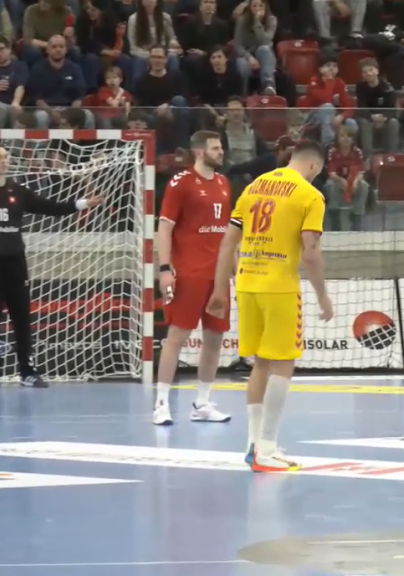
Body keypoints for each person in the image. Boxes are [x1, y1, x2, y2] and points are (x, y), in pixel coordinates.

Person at [206, 140, 334, 472]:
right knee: (283, 364)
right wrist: (322, 294)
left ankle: (254, 445)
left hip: (247, 284)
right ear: (315, 166)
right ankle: (267, 447)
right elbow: (311, 252)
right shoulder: (310, 195)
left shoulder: (253, 187)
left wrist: (220, 290)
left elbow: (227, 243)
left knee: (260, 363)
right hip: (279, 287)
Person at [0, 144, 102, 389]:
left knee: (21, 316)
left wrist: (82, 203)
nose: (4, 161)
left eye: (6, 157)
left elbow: (50, 208)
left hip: (15, 262)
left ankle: (27, 371)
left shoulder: (18, 191)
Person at [153, 131, 233, 426]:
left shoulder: (223, 183)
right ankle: (161, 404)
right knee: (177, 336)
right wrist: (165, 269)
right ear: (200, 152)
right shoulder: (181, 183)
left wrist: (234, 268)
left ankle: (202, 403)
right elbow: (164, 228)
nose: (221, 152)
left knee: (215, 338)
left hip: (217, 276)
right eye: (215, 148)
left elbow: (227, 232)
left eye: (221, 147)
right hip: (189, 273)